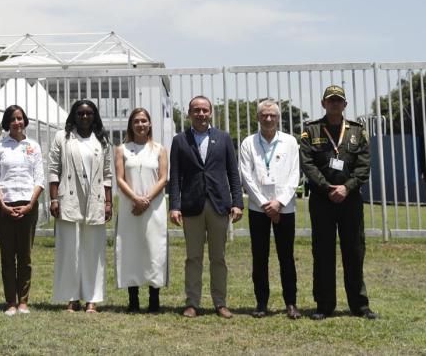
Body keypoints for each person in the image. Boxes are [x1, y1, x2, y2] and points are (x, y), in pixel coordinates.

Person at [299, 85, 376, 320]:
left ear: (345, 104)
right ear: (323, 104)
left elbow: (364, 165)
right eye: (330, 100)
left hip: (350, 200)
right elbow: (307, 163)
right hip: (322, 201)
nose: (334, 104)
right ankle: (324, 305)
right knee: (322, 252)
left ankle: (359, 305)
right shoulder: (311, 131)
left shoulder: (357, 131)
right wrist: (327, 187)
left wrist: (346, 187)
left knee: (354, 251)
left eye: (338, 100)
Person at [168, 95, 243, 318]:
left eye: (205, 110)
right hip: (191, 206)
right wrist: (174, 205)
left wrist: (237, 202)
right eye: (196, 110)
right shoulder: (180, 140)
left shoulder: (224, 138)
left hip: (219, 205)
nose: (201, 114)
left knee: (218, 257)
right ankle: (192, 302)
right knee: (193, 257)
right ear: (189, 114)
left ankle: (220, 302)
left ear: (211, 113)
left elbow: (233, 173)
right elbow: (175, 177)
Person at [48, 99, 112, 313]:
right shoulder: (63, 138)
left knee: (93, 250)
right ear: (73, 116)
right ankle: (71, 297)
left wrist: (109, 202)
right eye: (80, 113)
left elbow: (107, 175)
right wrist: (54, 198)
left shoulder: (102, 141)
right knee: (69, 250)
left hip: (95, 200)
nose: (85, 117)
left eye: (89, 113)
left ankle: (91, 299)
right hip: (69, 199)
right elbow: (53, 170)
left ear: (94, 116)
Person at [239, 98, 301, 319]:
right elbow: (246, 176)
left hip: (284, 208)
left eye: (272, 115)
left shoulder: (290, 142)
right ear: (258, 117)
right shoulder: (248, 143)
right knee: (260, 257)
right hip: (258, 208)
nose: (268, 118)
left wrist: (279, 202)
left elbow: (295, 175)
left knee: (287, 257)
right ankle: (261, 302)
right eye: (264, 115)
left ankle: (291, 303)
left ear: (278, 118)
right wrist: (265, 203)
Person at [0, 105, 44, 316]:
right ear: (7, 123)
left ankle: (23, 301)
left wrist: (30, 204)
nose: (17, 122)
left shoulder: (33, 146)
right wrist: (2, 204)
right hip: (5, 205)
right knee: (7, 255)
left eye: (20, 118)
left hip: (28, 204)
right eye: (13, 119)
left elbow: (39, 178)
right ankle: (10, 301)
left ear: (25, 120)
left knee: (25, 256)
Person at [114, 108, 168, 313]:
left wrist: (146, 200)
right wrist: (136, 199)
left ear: (150, 124)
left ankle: (154, 298)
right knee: (130, 249)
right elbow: (120, 178)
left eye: (144, 121)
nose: (141, 125)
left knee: (154, 249)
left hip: (153, 207)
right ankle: (133, 299)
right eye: (136, 121)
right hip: (130, 206)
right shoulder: (122, 149)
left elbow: (163, 178)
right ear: (131, 125)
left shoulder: (160, 149)